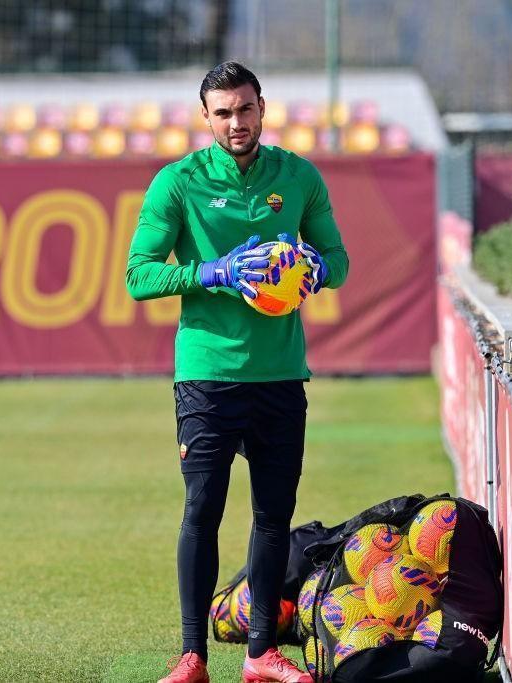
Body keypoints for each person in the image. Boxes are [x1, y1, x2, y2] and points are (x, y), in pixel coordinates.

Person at [125, 62, 349, 683]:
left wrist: (313, 267)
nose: (235, 122)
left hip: (280, 373)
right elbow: (139, 275)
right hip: (207, 374)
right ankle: (193, 656)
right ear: (206, 119)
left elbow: (339, 259)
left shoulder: (298, 177)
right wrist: (213, 273)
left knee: (273, 516)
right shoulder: (179, 183)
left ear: (262, 108)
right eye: (222, 113)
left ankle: (260, 656)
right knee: (202, 509)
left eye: (244, 109)